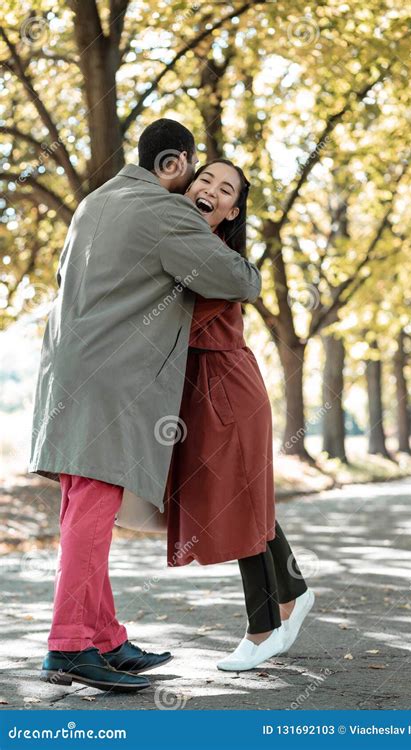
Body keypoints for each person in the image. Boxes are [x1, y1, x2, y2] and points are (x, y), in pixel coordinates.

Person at [29, 120, 262, 692]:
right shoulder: (168, 213)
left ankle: (105, 638)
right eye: (193, 170)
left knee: (81, 507)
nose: (195, 187)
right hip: (112, 380)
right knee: (91, 512)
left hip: (65, 372)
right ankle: (66, 646)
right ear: (173, 163)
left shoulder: (95, 201)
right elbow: (237, 279)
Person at [164, 159, 315, 671]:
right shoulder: (185, 240)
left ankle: (263, 628)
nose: (211, 189)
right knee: (249, 499)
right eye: (205, 179)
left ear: (230, 211)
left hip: (226, 387)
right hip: (207, 388)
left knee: (238, 503)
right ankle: (293, 591)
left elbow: (172, 320)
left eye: (226, 189)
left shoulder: (215, 255)